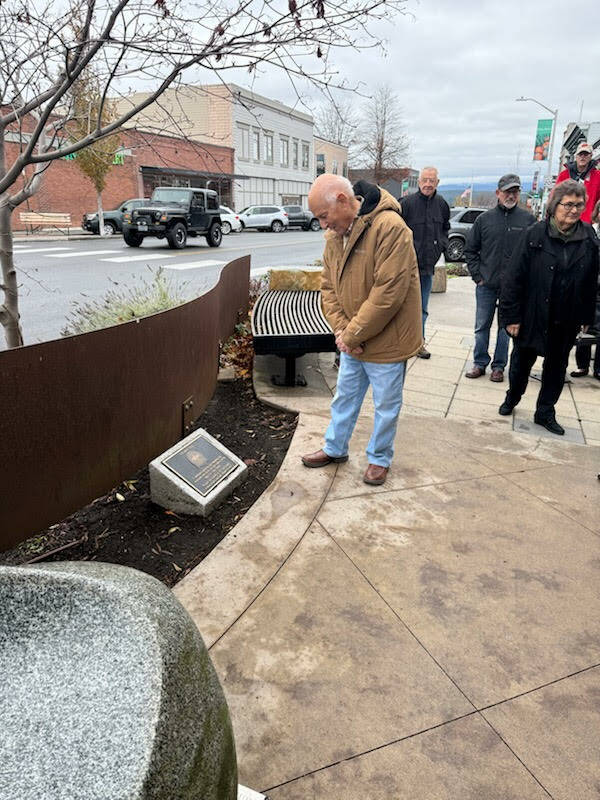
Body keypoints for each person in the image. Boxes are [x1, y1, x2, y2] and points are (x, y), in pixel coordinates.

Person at [301, 174, 422, 486]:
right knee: (345, 398)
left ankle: (379, 459)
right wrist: (344, 333)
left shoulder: (390, 228)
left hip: (387, 342)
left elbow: (388, 293)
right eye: (319, 219)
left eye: (324, 217)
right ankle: (334, 448)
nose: (323, 225)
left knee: (385, 407)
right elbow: (328, 288)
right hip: (351, 340)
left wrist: (350, 335)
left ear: (343, 200)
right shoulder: (335, 237)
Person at [499, 180, 600, 435]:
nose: (574, 210)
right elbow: (514, 277)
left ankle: (545, 411)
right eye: (568, 204)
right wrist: (511, 316)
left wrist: (587, 315)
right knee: (521, 364)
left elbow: (591, 279)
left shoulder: (588, 237)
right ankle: (513, 396)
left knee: (556, 369)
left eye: (579, 205)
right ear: (555, 206)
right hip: (532, 314)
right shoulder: (535, 234)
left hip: (564, 318)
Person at [464, 174, 535, 382]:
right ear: (498, 193)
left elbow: (534, 253)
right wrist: (478, 276)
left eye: (514, 191)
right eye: (507, 191)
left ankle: (499, 367)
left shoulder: (528, 220)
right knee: (481, 326)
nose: (510, 195)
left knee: (505, 329)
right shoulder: (484, 220)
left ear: (519, 194)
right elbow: (470, 250)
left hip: (513, 288)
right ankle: (479, 362)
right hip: (486, 284)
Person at [398, 166, 450, 359]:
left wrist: (441, 246)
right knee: (401, 306)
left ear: (437, 182)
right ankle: (401, 342)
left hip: (427, 268)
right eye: (425, 180)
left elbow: (446, 228)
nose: (428, 184)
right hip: (405, 267)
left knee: (422, 309)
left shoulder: (442, 205)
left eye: (432, 180)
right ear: (419, 182)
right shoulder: (407, 204)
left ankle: (418, 343)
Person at [571, 199, 600, 380]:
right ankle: (582, 366)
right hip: (588, 285)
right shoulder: (589, 231)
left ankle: (598, 368)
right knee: (583, 326)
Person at [556, 142, 600, 224]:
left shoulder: (598, 176)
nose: (582, 157)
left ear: (591, 156)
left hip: (587, 224)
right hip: (565, 222)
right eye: (580, 154)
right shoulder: (564, 175)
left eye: (586, 154)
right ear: (576, 156)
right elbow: (555, 198)